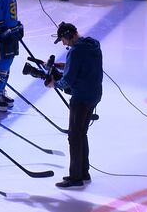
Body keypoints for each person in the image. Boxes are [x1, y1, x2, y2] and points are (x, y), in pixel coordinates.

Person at [46, 22, 103, 188]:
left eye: (63, 39)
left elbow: (67, 81)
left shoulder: (75, 52)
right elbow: (82, 67)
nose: (63, 43)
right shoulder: (93, 45)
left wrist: (53, 84)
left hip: (81, 98)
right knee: (81, 133)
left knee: (74, 136)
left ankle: (76, 177)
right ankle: (84, 172)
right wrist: (59, 66)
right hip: (94, 95)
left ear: (69, 35)